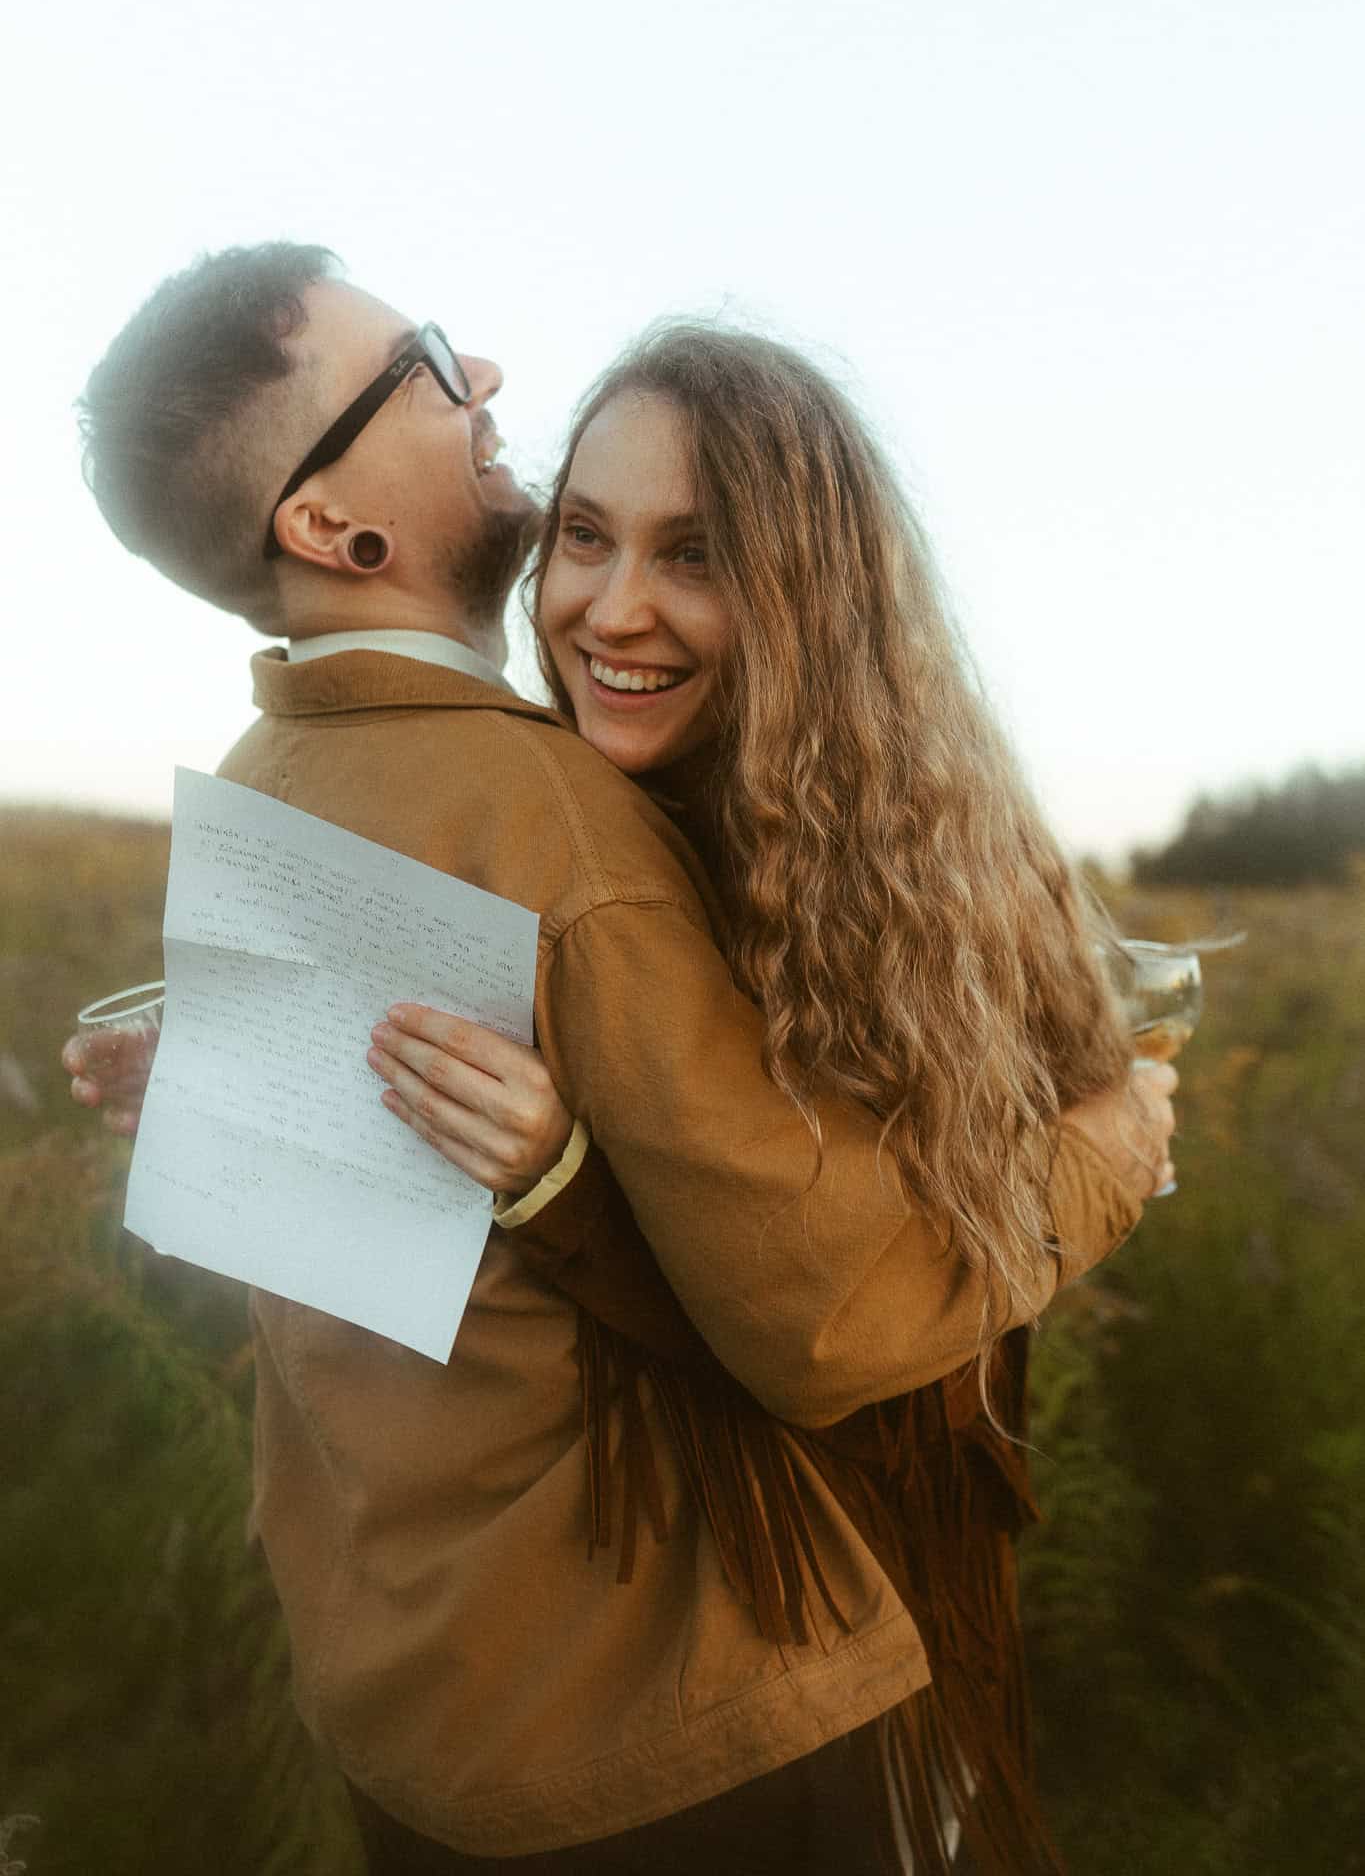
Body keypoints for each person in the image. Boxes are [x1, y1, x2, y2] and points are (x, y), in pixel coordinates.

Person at [68, 243, 1175, 1875]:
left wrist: (259, 1092)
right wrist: (1113, 1136)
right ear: (331, 527)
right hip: (666, 1716)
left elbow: (385, 1281)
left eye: (696, 551)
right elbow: (828, 1315)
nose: (487, 381)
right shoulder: (551, 826)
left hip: (413, 1702)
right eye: (429, 363)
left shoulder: (268, 772)